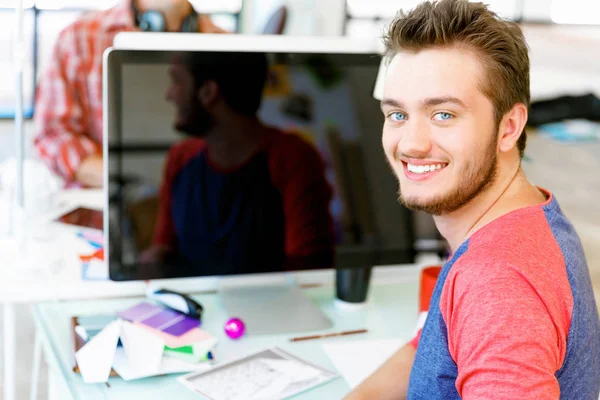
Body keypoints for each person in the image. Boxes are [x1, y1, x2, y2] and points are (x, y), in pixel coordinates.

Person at [345, 0, 600, 399]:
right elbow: (428, 345)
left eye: (443, 114)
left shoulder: (496, 280)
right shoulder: (519, 216)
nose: (411, 144)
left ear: (509, 126)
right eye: (397, 114)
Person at [137, 51, 335, 275]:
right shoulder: (180, 157)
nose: (169, 94)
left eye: (176, 80)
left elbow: (310, 271)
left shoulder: (294, 158)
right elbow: (163, 246)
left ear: (208, 92)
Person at [33, 0, 227, 188]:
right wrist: (129, 180)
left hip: (202, 204)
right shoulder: (77, 39)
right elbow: (52, 135)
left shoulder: (226, 44)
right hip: (104, 207)